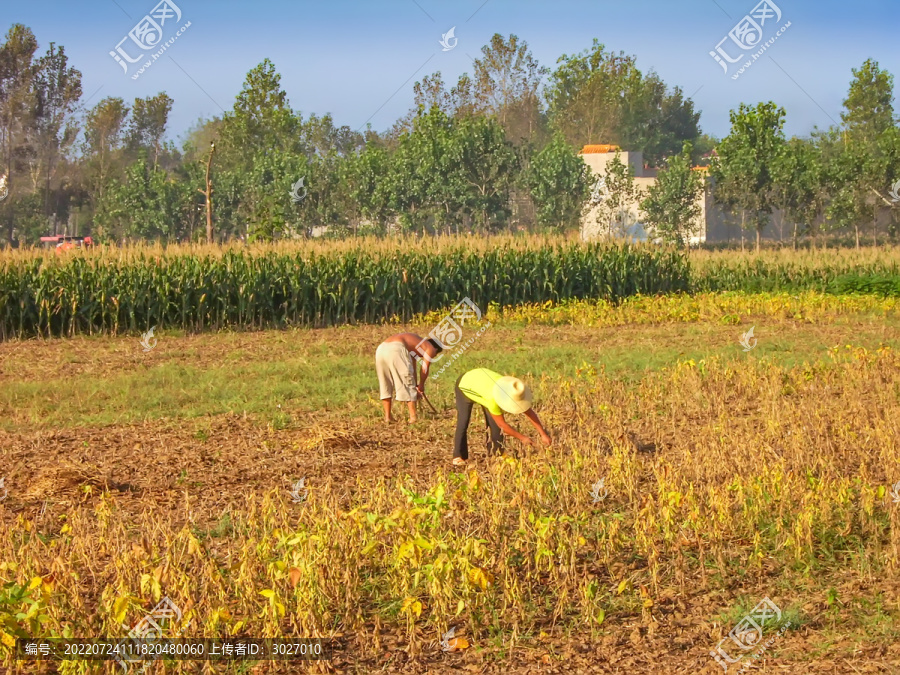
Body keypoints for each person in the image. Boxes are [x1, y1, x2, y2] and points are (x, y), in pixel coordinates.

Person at [453, 368, 552, 466]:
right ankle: (458, 456)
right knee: (463, 421)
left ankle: (496, 454)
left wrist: (543, 434)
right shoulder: (493, 399)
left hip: (482, 382)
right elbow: (502, 426)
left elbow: (529, 412)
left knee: (494, 425)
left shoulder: (511, 389)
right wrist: (523, 438)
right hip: (465, 384)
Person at [375, 333, 443, 423]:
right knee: (408, 384)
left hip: (381, 349)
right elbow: (424, 369)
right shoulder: (430, 348)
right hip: (396, 349)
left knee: (385, 383)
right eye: (435, 354)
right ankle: (413, 418)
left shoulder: (415, 346)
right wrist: (421, 385)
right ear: (436, 349)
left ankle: (388, 417)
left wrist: (416, 386)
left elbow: (412, 370)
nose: (434, 356)